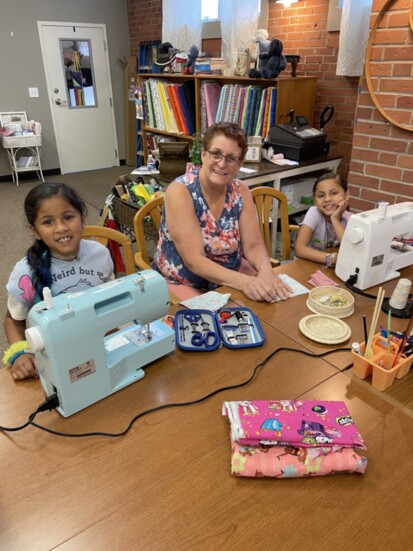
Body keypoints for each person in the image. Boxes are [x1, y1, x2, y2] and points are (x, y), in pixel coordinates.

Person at [152, 122, 292, 302]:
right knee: (217, 322)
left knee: (274, 303)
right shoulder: (180, 191)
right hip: (184, 281)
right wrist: (246, 282)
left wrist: (266, 271)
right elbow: (194, 260)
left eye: (231, 158)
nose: (222, 163)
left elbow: (253, 245)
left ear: (240, 163)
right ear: (203, 154)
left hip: (230, 275)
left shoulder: (241, 190)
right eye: (216, 154)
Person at [3, 182, 114, 381]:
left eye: (68, 217)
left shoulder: (101, 254)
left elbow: (110, 296)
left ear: (83, 219)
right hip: (53, 357)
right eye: (48, 222)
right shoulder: (26, 273)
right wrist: (21, 354)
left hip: (97, 344)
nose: (61, 228)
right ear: (34, 230)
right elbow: (13, 320)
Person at [294, 172, 351, 268]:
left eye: (334, 193)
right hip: (306, 265)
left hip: (328, 269)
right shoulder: (314, 213)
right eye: (321, 196)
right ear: (315, 201)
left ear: (346, 195)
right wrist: (331, 258)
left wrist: (335, 220)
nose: (327, 199)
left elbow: (350, 252)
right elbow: (299, 249)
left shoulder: (350, 219)